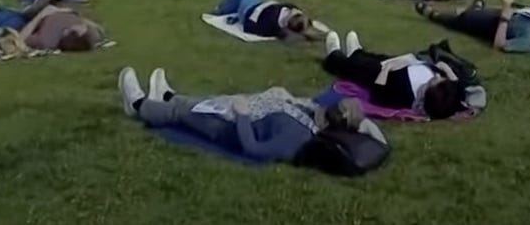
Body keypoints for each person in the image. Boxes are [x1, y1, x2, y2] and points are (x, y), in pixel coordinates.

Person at [117, 67, 380, 163]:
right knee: (203, 101)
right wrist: (283, 96)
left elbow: (253, 149)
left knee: (183, 114)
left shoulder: (296, 139)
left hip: (229, 125)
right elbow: (375, 138)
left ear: (329, 118)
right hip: (249, 107)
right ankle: (167, 96)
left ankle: (139, 105)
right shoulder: (312, 113)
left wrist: (242, 115)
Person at [320, 29, 482, 119]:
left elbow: (378, 95)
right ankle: (357, 52)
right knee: (375, 57)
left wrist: (387, 69)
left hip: (382, 74)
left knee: (356, 67)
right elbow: (457, 85)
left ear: (429, 93)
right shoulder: (450, 95)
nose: (437, 77)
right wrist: (445, 69)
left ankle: (333, 55)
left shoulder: (404, 95)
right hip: (404, 64)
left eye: (436, 81)